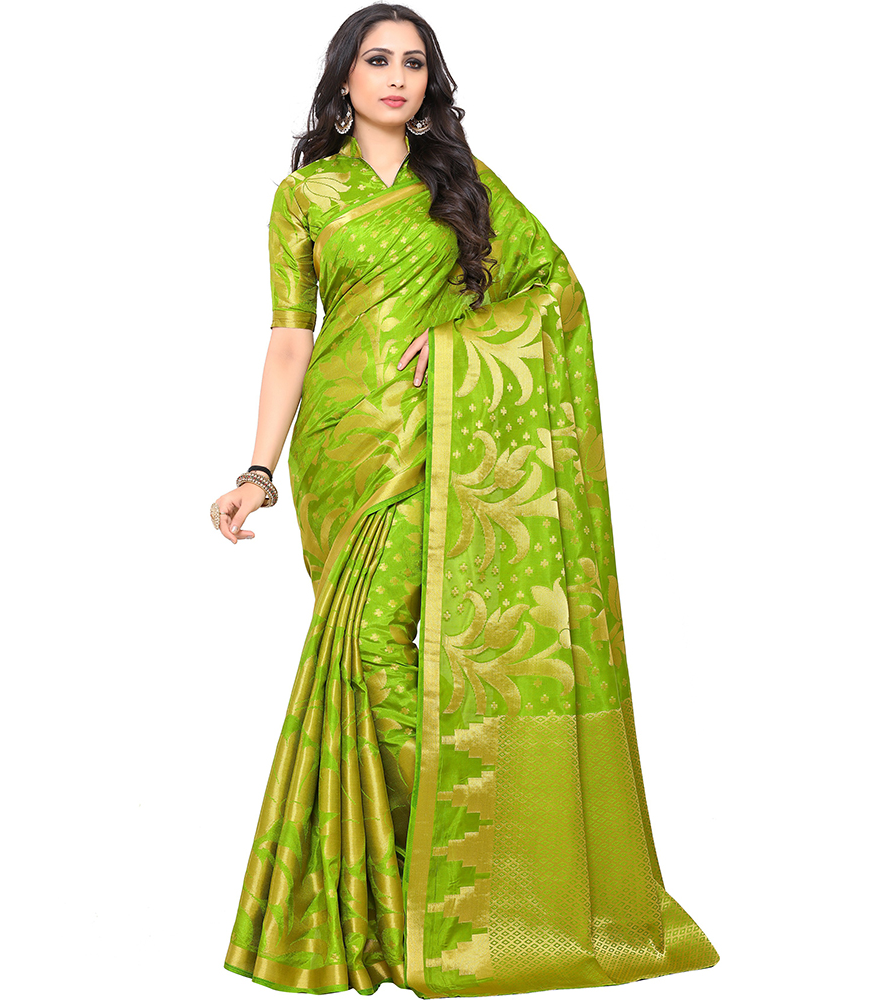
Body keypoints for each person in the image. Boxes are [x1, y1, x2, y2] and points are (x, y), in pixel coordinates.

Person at [215, 5, 720, 996]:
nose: (396, 76)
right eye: (378, 59)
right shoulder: (304, 196)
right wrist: (258, 471)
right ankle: (408, 906)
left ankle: (479, 880)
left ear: (429, 83)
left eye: (414, 62)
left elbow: (554, 289)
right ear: (345, 78)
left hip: (435, 441)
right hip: (338, 449)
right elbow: (289, 337)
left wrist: (463, 344)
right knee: (368, 664)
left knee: (377, 649)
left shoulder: (463, 183)